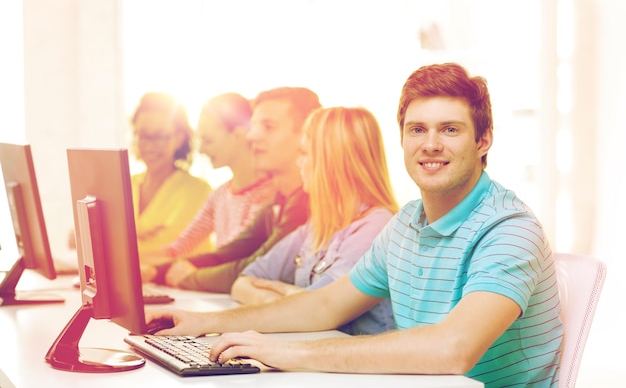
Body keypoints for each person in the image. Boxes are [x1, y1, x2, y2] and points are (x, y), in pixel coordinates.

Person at [146, 63, 564, 387]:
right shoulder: (407, 222)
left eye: (450, 129)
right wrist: (206, 324)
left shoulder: (509, 230)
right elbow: (326, 304)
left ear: (483, 140)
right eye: (417, 129)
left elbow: (452, 349)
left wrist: (286, 353)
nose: (431, 144)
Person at [231, 107, 399, 335]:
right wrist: (279, 300)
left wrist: (289, 300)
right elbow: (243, 281)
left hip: (363, 365)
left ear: (331, 160)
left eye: (304, 152)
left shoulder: (375, 226)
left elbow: (323, 307)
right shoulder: (318, 226)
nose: (299, 162)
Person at [141, 87, 321, 292]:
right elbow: (232, 252)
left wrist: (190, 278)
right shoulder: (279, 200)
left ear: (306, 135)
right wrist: (158, 272)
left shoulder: (305, 201)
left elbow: (255, 267)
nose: (252, 136)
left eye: (269, 127)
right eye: (253, 126)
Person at [140, 92, 275, 265]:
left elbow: (234, 260)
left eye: (208, 140)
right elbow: (178, 249)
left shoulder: (267, 197)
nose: (202, 150)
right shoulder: (219, 196)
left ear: (238, 136)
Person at [130, 92, 212, 264]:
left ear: (179, 139)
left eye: (160, 136)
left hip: (179, 286)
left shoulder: (198, 191)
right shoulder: (124, 185)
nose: (150, 145)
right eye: (144, 136)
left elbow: (168, 250)